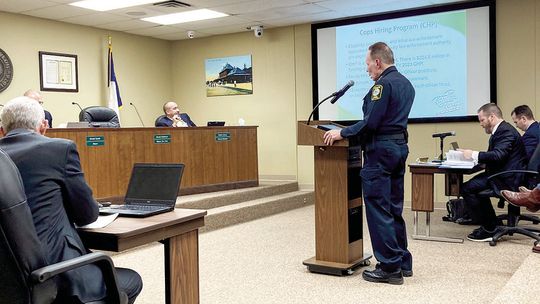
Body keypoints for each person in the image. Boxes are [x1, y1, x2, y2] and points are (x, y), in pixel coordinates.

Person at [0, 96, 142, 303]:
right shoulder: (59, 149)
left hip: (8, 281)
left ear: (2, 130)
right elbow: (87, 215)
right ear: (44, 126)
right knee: (131, 280)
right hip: (56, 275)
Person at [323, 42, 415, 285]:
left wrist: (342, 133)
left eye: (367, 65)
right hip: (398, 149)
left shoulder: (382, 86)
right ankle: (402, 261)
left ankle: (389, 267)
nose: (367, 71)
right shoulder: (406, 83)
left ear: (377, 61)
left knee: (379, 209)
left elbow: (371, 122)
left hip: (380, 152)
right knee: (394, 208)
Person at [459, 103, 526, 242]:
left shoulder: (505, 131)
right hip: (502, 173)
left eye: (482, 120)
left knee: (467, 189)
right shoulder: (501, 130)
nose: (481, 124)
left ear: (492, 117)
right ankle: (491, 223)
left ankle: (489, 228)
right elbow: (496, 157)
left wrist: (473, 154)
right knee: (471, 187)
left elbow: (497, 155)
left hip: (507, 178)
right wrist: (472, 158)